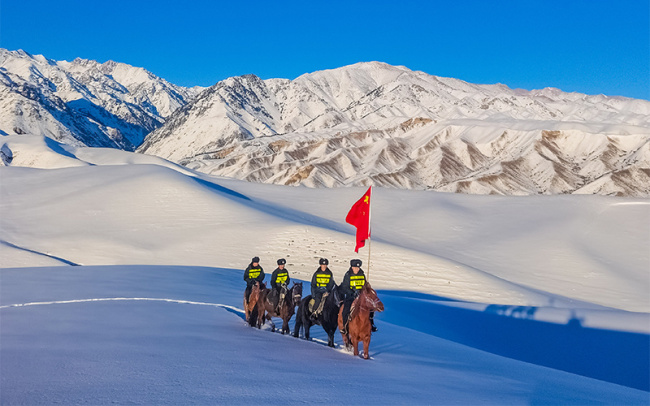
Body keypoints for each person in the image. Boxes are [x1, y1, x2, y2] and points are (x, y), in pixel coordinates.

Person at [340, 259, 377, 333]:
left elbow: (364, 284)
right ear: (352, 267)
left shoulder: (362, 275)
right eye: (355, 267)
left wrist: (367, 289)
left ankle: (371, 324)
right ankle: (345, 327)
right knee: (346, 310)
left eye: (358, 267)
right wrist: (352, 292)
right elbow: (345, 287)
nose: (357, 269)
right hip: (351, 297)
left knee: (371, 307)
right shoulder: (348, 275)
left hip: (361, 296)